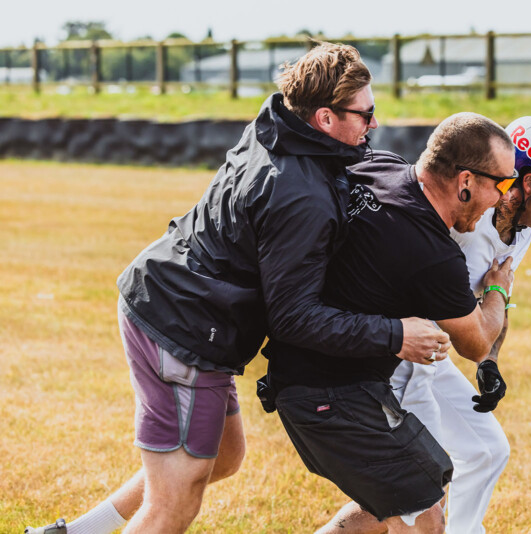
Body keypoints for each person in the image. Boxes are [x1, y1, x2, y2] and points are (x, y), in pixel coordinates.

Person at [25, 42, 448, 534]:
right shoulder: (301, 194)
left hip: (171, 300)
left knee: (223, 458)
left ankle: (73, 533)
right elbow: (295, 317)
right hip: (182, 329)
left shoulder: (276, 124)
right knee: (174, 502)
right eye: (365, 114)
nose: (373, 125)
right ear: (326, 118)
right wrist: (395, 335)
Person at [318, 116, 531, 533]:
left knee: (484, 450)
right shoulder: (467, 213)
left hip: (432, 347)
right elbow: (487, 306)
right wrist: (482, 341)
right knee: (418, 493)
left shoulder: (521, 230)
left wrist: (490, 363)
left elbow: (497, 295)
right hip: (396, 352)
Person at [261, 112, 518, 533]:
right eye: (502, 184)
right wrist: (498, 290)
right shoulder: (435, 257)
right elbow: (476, 341)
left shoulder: (378, 167)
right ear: (466, 182)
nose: (505, 199)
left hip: (301, 379)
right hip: (334, 398)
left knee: (406, 501)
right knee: (425, 516)